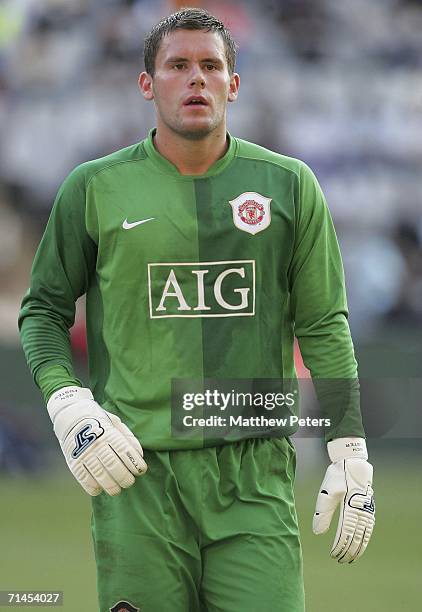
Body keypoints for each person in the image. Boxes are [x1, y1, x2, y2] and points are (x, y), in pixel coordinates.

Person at [18, 7, 375, 612]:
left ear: (234, 84)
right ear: (146, 83)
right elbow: (43, 312)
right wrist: (66, 400)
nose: (196, 79)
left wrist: (349, 447)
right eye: (177, 65)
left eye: (211, 66)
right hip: (136, 474)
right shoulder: (94, 187)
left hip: (253, 475)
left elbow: (323, 324)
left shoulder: (289, 185)